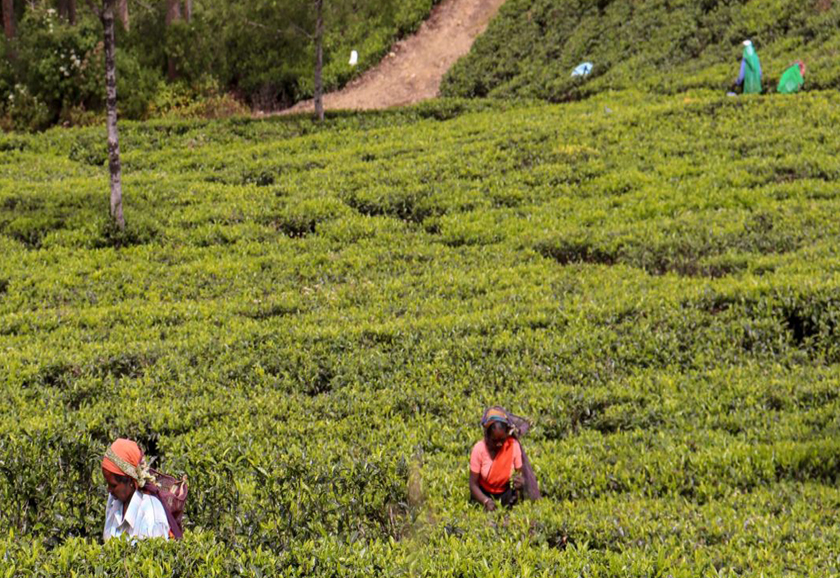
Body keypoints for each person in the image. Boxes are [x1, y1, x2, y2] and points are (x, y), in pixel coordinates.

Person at [101, 438, 182, 542]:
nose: (109, 490)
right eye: (108, 484)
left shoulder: (151, 518)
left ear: (130, 480)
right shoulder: (113, 500)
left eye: (113, 485)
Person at [469, 407, 540, 510]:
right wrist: (486, 501)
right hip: (483, 495)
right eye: (494, 440)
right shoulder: (479, 449)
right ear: (487, 436)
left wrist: (520, 483)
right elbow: (473, 485)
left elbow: (519, 474)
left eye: (502, 440)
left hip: (505, 495)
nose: (498, 444)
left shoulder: (513, 446)